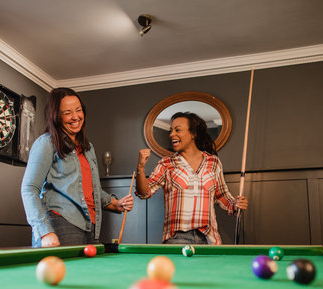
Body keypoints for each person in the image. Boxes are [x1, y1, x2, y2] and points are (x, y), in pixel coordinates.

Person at [21, 87, 133, 247]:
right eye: (67, 113)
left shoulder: (88, 148)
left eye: (78, 110)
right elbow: (29, 189)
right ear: (56, 116)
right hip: (60, 223)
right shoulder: (46, 142)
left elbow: (93, 190)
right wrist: (44, 231)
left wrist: (116, 203)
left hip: (91, 227)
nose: (75, 117)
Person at [136, 112, 248, 245]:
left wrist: (235, 204)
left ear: (193, 134)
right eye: (171, 130)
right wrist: (140, 168)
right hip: (176, 238)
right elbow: (144, 192)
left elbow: (221, 195)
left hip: (209, 238)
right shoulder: (166, 163)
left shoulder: (213, 162)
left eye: (177, 130)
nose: (171, 134)